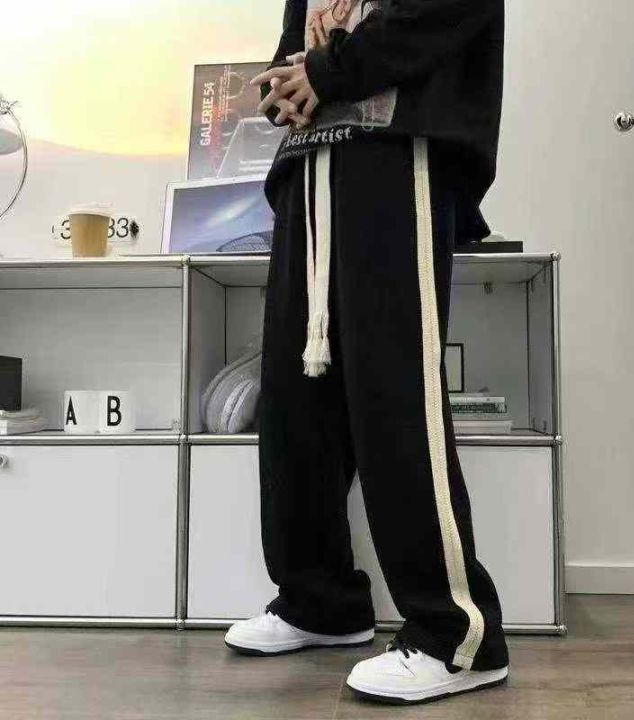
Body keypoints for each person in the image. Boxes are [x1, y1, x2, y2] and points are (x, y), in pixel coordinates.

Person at [224, 0, 510, 705]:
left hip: (395, 153)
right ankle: (320, 601)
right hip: (308, 168)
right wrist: (284, 83)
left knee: (394, 393)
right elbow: (296, 43)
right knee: (295, 401)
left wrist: (326, 71)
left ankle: (457, 635)